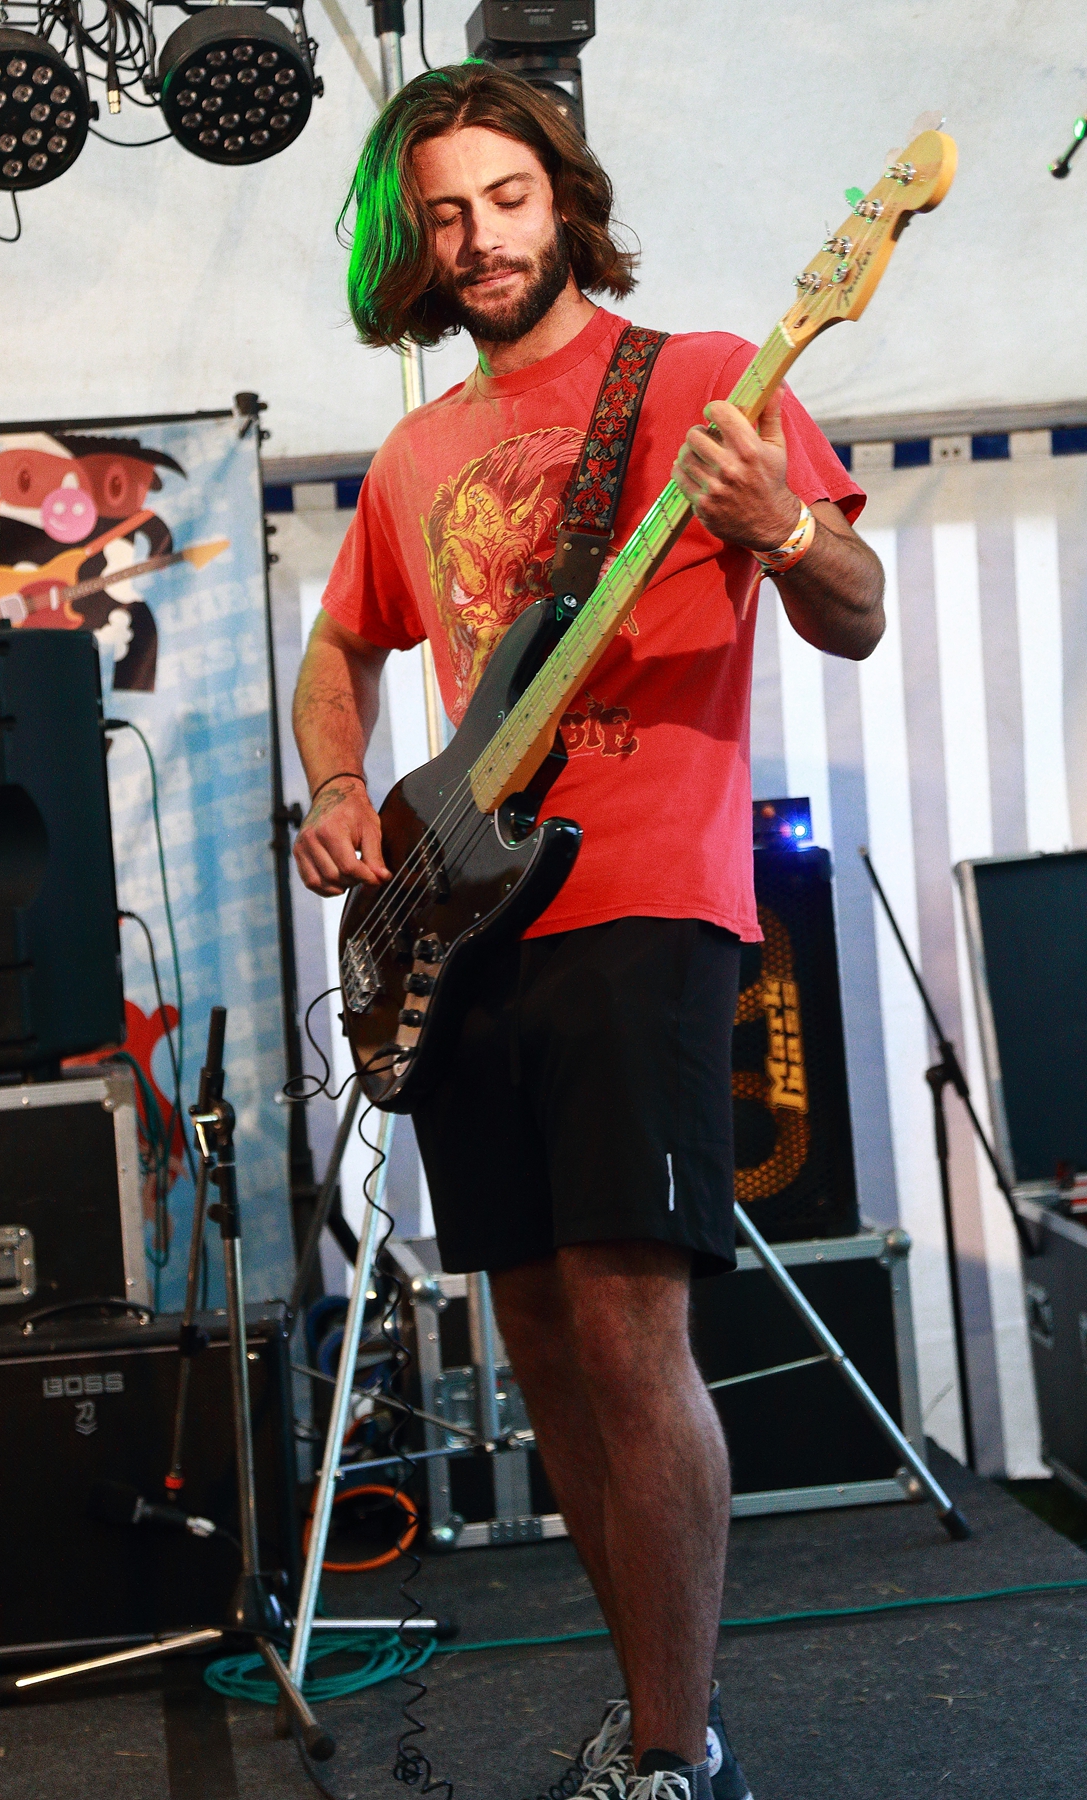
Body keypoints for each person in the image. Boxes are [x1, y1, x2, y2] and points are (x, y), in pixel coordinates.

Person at [292, 63, 884, 1800]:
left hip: (644, 901)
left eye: (508, 198)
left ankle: (675, 1754)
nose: (481, 237)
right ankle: (647, 1718)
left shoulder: (705, 378)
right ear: (417, 246)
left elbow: (857, 611)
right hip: (464, 930)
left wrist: (780, 525)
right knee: (543, 1344)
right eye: (447, 216)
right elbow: (343, 649)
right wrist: (341, 783)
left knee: (632, 1335)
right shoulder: (414, 453)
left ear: (565, 200)